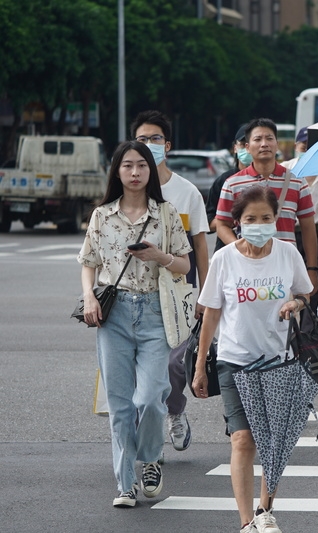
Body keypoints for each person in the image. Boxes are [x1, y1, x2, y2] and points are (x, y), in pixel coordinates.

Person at [192, 185, 313, 533]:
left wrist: (296, 304)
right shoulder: (225, 259)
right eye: (251, 219)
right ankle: (246, 521)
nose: (259, 224)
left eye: (266, 218)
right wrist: (202, 366)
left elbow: (304, 293)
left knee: (272, 440)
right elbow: (211, 315)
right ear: (238, 222)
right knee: (243, 439)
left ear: (276, 219)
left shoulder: (288, 254)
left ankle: (265, 510)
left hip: (277, 360)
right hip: (234, 360)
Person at [77, 141, 191, 508]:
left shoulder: (166, 213)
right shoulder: (101, 215)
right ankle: (126, 483)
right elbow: (88, 261)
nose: (136, 172)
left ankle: (151, 457)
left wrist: (159, 255)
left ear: (150, 171)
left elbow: (185, 266)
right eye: (127, 166)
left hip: (156, 311)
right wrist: (91, 296)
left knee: (152, 397)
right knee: (121, 405)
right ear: (117, 171)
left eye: (141, 165)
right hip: (115, 313)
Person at [130, 110, 210, 453]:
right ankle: (140, 432)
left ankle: (175, 411)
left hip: (179, 292)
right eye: (142, 139)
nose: (149, 145)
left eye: (156, 139)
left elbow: (201, 247)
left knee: (174, 363)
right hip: (133, 293)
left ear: (168, 145)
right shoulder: (127, 187)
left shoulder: (187, 192)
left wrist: (206, 296)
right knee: (136, 366)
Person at [215, 118, 318, 294]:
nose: (264, 144)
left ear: (277, 145)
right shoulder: (232, 184)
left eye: (269, 138)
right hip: (245, 268)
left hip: (285, 266)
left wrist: (312, 269)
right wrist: (240, 249)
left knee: (286, 315)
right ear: (247, 147)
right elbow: (222, 224)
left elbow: (308, 228)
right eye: (257, 139)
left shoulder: (296, 182)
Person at [282, 126, 318, 311]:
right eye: (303, 145)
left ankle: (309, 330)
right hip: (290, 234)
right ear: (296, 146)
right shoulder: (285, 170)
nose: (307, 150)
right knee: (287, 282)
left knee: (314, 282)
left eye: (312, 146)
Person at [207, 124, 252, 252]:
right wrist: (229, 220)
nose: (247, 149)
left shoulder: (267, 179)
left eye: (250, 143)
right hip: (227, 250)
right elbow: (208, 222)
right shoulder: (224, 181)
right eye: (243, 144)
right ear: (235, 148)